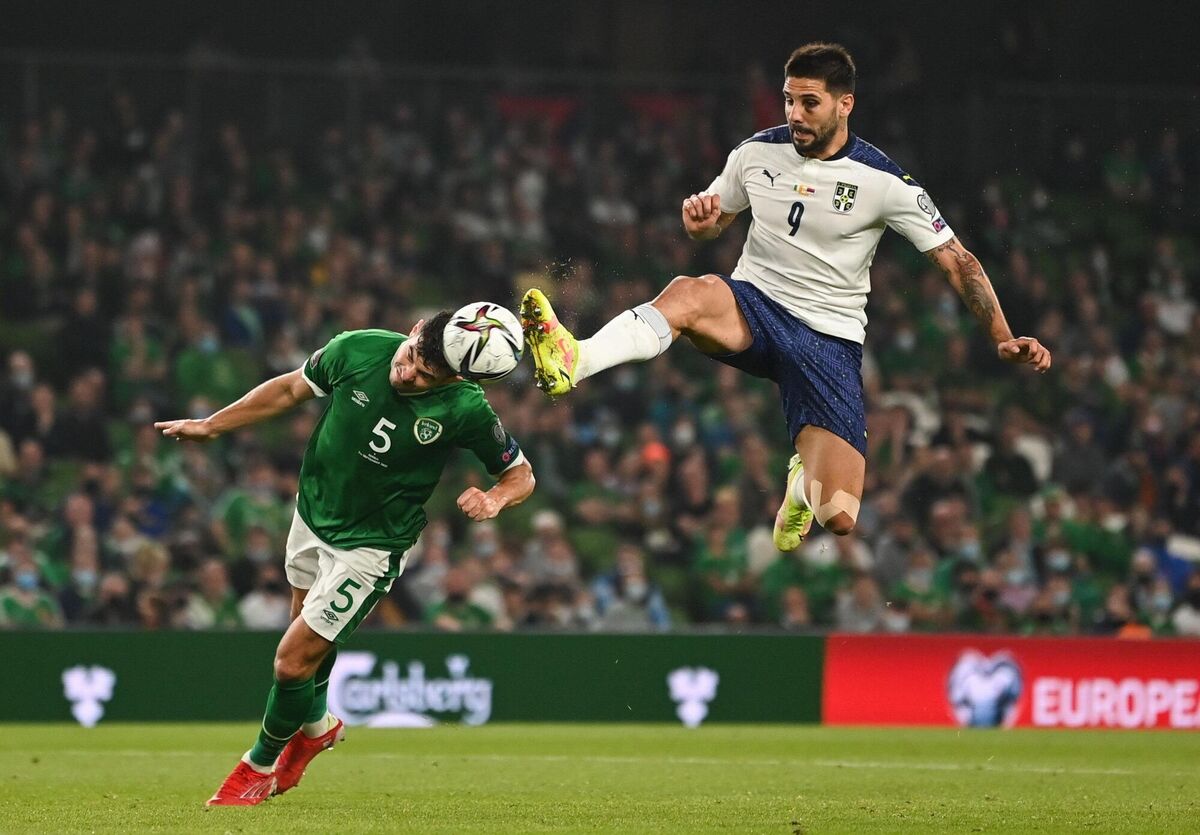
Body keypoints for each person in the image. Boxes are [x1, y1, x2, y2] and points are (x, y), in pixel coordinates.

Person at [521, 42, 1050, 552]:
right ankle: (576, 359)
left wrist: (1002, 337)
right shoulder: (755, 153)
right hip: (754, 306)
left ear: (845, 104)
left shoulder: (884, 182)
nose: (795, 114)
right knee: (689, 292)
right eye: (789, 100)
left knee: (838, 517)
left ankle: (800, 484)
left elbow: (959, 261)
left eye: (809, 103)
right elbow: (714, 222)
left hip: (828, 340)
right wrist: (701, 225)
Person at [155, 313, 535, 806]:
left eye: (425, 376)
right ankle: (317, 728)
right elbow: (289, 390)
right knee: (305, 644)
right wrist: (212, 424)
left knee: (291, 662)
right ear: (416, 329)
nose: (408, 374)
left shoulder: (467, 407)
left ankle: (259, 765)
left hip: (371, 546)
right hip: (312, 512)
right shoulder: (358, 348)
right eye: (411, 357)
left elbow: (520, 475)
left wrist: (495, 498)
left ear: (454, 378)